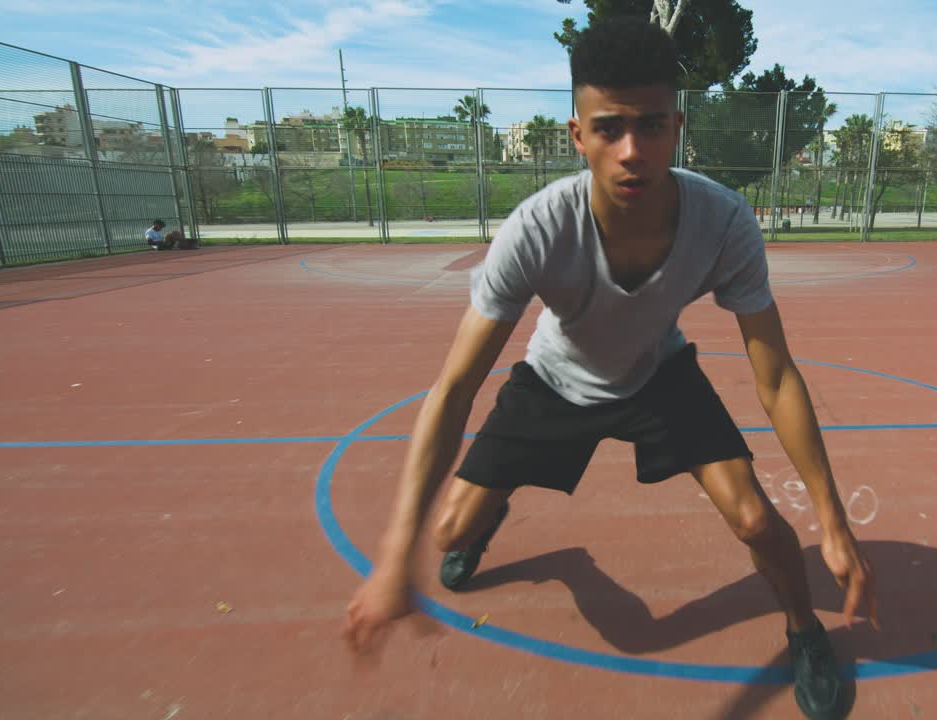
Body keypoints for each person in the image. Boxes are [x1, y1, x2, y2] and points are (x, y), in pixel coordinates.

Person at [343, 17, 877, 719]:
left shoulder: (723, 223)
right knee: (449, 534)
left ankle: (805, 632)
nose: (632, 151)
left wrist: (832, 522)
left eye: (650, 126)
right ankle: (502, 513)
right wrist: (394, 554)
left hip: (659, 373)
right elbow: (454, 390)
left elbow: (776, 378)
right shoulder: (537, 229)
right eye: (609, 128)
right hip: (556, 376)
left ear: (677, 127)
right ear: (578, 135)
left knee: (755, 519)